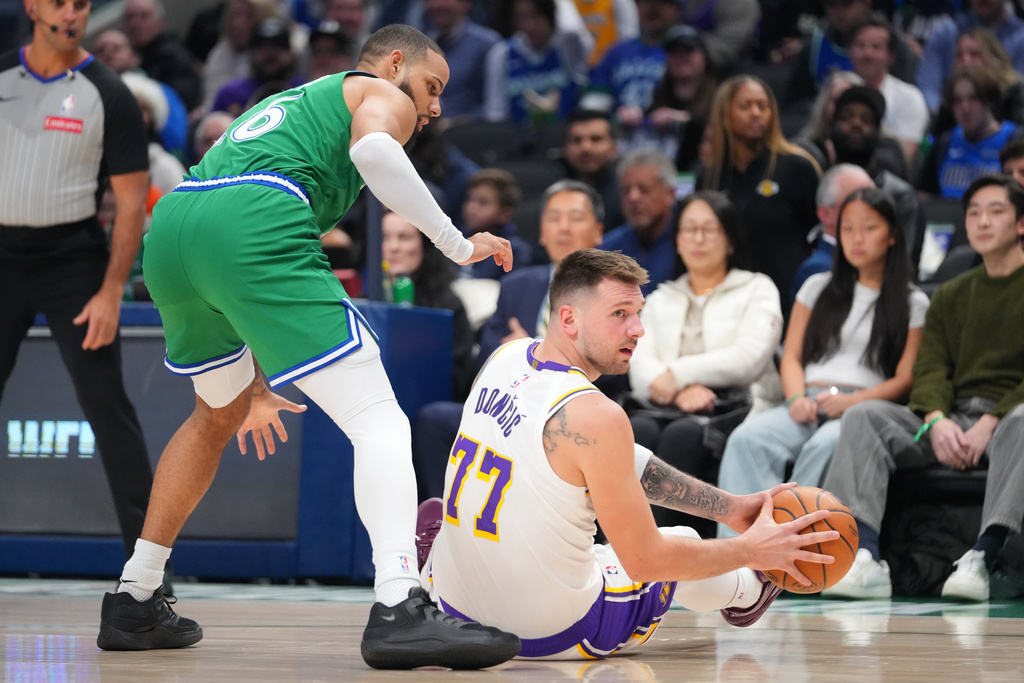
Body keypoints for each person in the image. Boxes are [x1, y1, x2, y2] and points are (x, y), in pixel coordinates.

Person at [95, 24, 521, 670]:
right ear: (396, 63)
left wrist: (258, 377)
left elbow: (240, 248)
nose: (432, 108)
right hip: (252, 220)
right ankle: (401, 603)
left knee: (214, 417)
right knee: (379, 417)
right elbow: (377, 154)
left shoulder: (298, 102)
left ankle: (135, 594)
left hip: (178, 229)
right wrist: (457, 243)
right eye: (432, 87)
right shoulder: (379, 92)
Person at [424, 248, 840, 658]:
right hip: (548, 631)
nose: (638, 329)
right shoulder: (597, 415)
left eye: (638, 312)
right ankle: (748, 591)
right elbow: (647, 561)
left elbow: (614, 460)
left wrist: (728, 508)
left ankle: (426, 567)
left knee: (464, 511)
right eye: (620, 314)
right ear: (568, 318)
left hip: (454, 608)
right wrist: (752, 550)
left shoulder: (506, 356)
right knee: (679, 542)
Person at [0, 0, 155, 565]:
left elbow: (133, 203)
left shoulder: (108, 92)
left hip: (74, 262)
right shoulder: (3, 77)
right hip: (3, 258)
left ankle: (147, 577)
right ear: (33, 6)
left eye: (82, 5)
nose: (72, 14)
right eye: (60, 2)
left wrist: (112, 290)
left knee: (107, 407)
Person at [822, 174, 1024, 602]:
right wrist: (936, 420)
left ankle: (984, 559)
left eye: (996, 211)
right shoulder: (951, 293)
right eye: (973, 213)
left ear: (1021, 223)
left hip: (1008, 423)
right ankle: (864, 557)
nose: (982, 221)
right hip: (950, 419)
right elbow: (930, 368)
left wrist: (991, 420)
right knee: (865, 416)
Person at [718, 187, 929, 539]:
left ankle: (794, 553)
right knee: (747, 439)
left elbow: (906, 378)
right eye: (847, 228)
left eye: (869, 227)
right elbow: (792, 357)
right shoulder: (817, 287)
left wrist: (851, 403)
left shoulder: (913, 301)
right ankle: (740, 555)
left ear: (893, 235)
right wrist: (796, 397)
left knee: (825, 445)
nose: (856, 238)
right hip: (806, 400)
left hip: (861, 409)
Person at [412, 179, 605, 502]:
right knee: (434, 420)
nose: (564, 227)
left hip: (573, 411)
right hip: (509, 405)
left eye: (575, 217)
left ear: (599, 231)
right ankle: (439, 525)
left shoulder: (612, 293)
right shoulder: (517, 286)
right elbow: (487, 359)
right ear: (541, 232)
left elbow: (611, 367)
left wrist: (530, 347)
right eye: (554, 218)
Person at [626, 191, 783, 537]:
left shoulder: (757, 288)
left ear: (729, 240)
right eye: (689, 229)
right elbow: (639, 362)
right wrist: (680, 390)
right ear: (677, 241)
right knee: (638, 433)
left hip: (739, 405)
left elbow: (748, 359)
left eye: (709, 229)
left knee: (686, 435)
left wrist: (679, 374)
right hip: (667, 406)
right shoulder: (661, 297)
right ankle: (623, 550)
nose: (698, 238)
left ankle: (665, 556)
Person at [698, 75, 821, 319]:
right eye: (745, 106)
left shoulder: (797, 167)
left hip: (790, 302)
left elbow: (819, 238)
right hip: (729, 305)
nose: (756, 113)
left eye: (763, 106)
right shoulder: (709, 178)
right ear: (724, 112)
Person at [381, 210, 474, 400]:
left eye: (404, 238)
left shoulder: (449, 306)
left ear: (425, 244)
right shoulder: (364, 300)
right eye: (385, 237)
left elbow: (457, 380)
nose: (393, 247)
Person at [919, 65, 1018, 200]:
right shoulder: (944, 143)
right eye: (957, 100)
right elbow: (925, 195)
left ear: (989, 100)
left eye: (973, 98)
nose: (965, 107)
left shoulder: (1015, 140)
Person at [483, 0, 588, 125]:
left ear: (550, 14)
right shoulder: (501, 53)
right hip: (519, 137)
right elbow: (495, 112)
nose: (530, 25)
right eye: (521, 17)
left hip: (566, 133)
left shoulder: (567, 47)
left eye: (536, 16)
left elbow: (571, 29)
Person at [846, 14, 929, 166]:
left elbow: (903, 159)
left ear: (890, 56)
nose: (867, 54)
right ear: (850, 52)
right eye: (860, 46)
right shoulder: (838, 90)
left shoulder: (909, 98)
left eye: (876, 47)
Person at [579, 0, 677, 128]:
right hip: (621, 133)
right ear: (637, 6)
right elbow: (595, 100)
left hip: (669, 134)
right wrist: (614, 117)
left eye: (661, 3)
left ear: (675, 9)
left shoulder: (682, 51)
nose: (653, 9)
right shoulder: (617, 52)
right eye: (647, 3)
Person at [789, 164, 876, 306]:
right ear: (826, 215)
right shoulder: (819, 269)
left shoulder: (877, 259)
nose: (872, 210)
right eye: (857, 202)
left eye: (874, 199)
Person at [916, 0, 1024, 114]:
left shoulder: (1020, 38)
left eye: (975, 54)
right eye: (959, 55)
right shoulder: (947, 32)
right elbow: (928, 86)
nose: (966, 61)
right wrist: (949, 115)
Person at [600, 148, 678, 295]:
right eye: (626, 190)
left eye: (644, 189)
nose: (633, 197)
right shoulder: (606, 250)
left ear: (670, 194)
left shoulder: (687, 246)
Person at [643, 24, 719, 173]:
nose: (681, 58)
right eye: (674, 52)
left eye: (688, 51)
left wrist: (683, 119)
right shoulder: (658, 95)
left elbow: (721, 131)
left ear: (704, 56)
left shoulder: (719, 95)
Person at [211, 16, 306, 118]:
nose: (269, 53)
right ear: (251, 52)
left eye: (277, 45)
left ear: (290, 53)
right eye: (262, 46)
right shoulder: (230, 94)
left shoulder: (304, 90)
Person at [120, 0, 203, 111]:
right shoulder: (120, 62)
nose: (135, 24)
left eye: (144, 16)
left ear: (161, 23)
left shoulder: (174, 57)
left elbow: (180, 104)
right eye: (129, 18)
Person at [460, 168, 532, 280]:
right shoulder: (457, 237)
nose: (471, 208)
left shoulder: (516, 251)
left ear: (505, 214)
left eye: (482, 203)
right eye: (469, 199)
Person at [560, 108, 624, 229]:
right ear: (565, 149)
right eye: (577, 140)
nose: (586, 148)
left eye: (596, 139)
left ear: (614, 148)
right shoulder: (555, 195)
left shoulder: (627, 195)